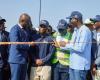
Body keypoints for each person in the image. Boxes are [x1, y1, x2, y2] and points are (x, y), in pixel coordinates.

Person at [59, 11, 92, 80]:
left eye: (71, 19)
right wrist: (61, 45)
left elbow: (80, 48)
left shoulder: (85, 30)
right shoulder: (76, 30)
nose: (70, 21)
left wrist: (66, 44)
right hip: (73, 65)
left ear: (76, 19)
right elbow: (72, 44)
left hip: (80, 66)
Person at [9, 13, 33, 80]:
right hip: (16, 60)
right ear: (23, 21)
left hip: (24, 60)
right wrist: (29, 45)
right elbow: (16, 44)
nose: (29, 23)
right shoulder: (14, 29)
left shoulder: (26, 30)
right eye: (28, 22)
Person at [91, 15, 100, 80]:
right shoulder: (91, 34)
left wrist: (95, 63)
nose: (93, 23)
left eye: (95, 21)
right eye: (93, 22)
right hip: (93, 66)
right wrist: (92, 64)